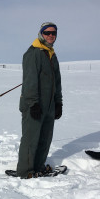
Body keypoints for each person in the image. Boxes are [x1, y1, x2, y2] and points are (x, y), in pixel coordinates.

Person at [16, 22, 63, 179]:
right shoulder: (33, 53)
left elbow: (57, 82)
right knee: (31, 139)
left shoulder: (51, 54)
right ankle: (25, 171)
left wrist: (59, 102)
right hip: (34, 105)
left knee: (45, 138)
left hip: (49, 106)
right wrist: (33, 103)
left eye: (53, 33)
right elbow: (30, 81)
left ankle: (38, 166)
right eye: (47, 32)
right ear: (41, 34)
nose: (51, 35)